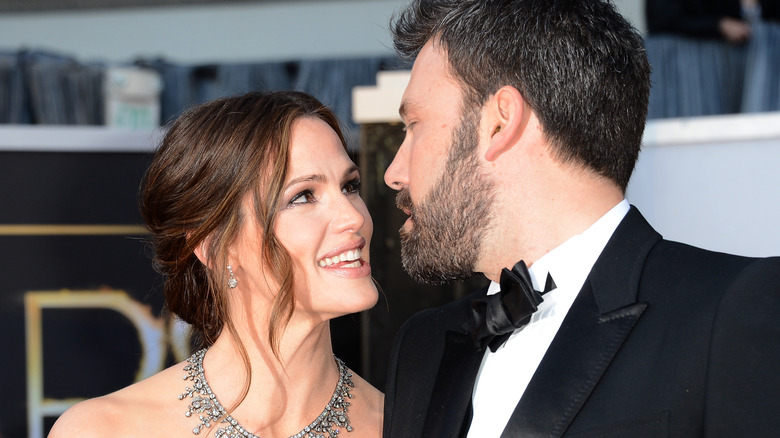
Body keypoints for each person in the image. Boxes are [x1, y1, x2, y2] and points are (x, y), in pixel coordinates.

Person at [381, 0, 780, 437]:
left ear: (500, 123)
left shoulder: (732, 310)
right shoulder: (423, 347)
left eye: (413, 125)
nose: (392, 171)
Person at [49, 91, 383, 437]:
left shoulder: (404, 424)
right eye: (302, 196)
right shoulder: (103, 430)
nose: (353, 217)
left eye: (349, 186)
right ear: (212, 245)